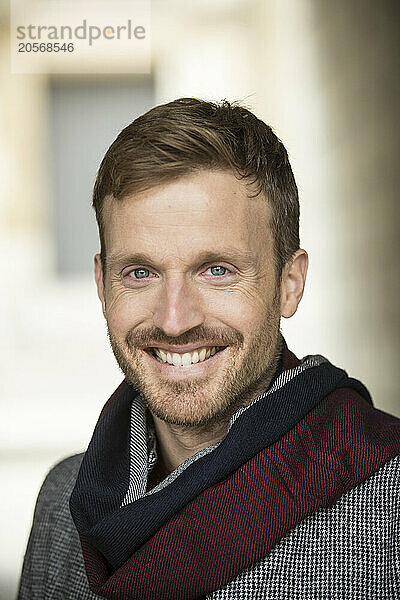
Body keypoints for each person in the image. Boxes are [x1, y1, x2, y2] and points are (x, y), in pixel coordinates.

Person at [18, 98, 400, 600]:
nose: (175, 320)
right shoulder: (62, 504)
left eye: (217, 270)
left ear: (289, 282)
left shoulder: (389, 502)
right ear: (102, 284)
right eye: (140, 273)